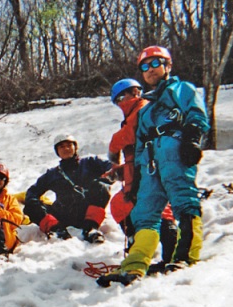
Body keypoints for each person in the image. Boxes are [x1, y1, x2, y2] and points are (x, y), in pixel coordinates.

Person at [97, 46, 210, 287]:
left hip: (173, 150)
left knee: (183, 200)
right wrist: (134, 176)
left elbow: (196, 114)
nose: (149, 70)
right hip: (149, 162)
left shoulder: (181, 89)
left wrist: (192, 138)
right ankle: (135, 265)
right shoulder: (147, 108)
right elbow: (138, 143)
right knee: (143, 214)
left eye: (155, 63)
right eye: (144, 67)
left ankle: (185, 257)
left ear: (167, 65)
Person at [108, 78, 178, 267]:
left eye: (121, 99)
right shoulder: (137, 112)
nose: (121, 103)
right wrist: (122, 171)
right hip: (142, 174)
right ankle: (138, 241)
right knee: (121, 205)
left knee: (156, 209)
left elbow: (132, 133)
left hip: (151, 173)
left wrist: (113, 147)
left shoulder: (143, 109)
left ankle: (170, 254)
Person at [24, 134, 113, 243]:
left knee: (101, 187)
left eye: (69, 145)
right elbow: (32, 192)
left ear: (75, 147)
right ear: (57, 151)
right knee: (30, 207)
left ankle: (90, 228)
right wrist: (36, 205)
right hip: (63, 215)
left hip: (87, 212)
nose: (66, 149)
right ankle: (56, 230)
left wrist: (103, 180)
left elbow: (113, 169)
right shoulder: (53, 174)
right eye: (61, 147)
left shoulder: (90, 162)